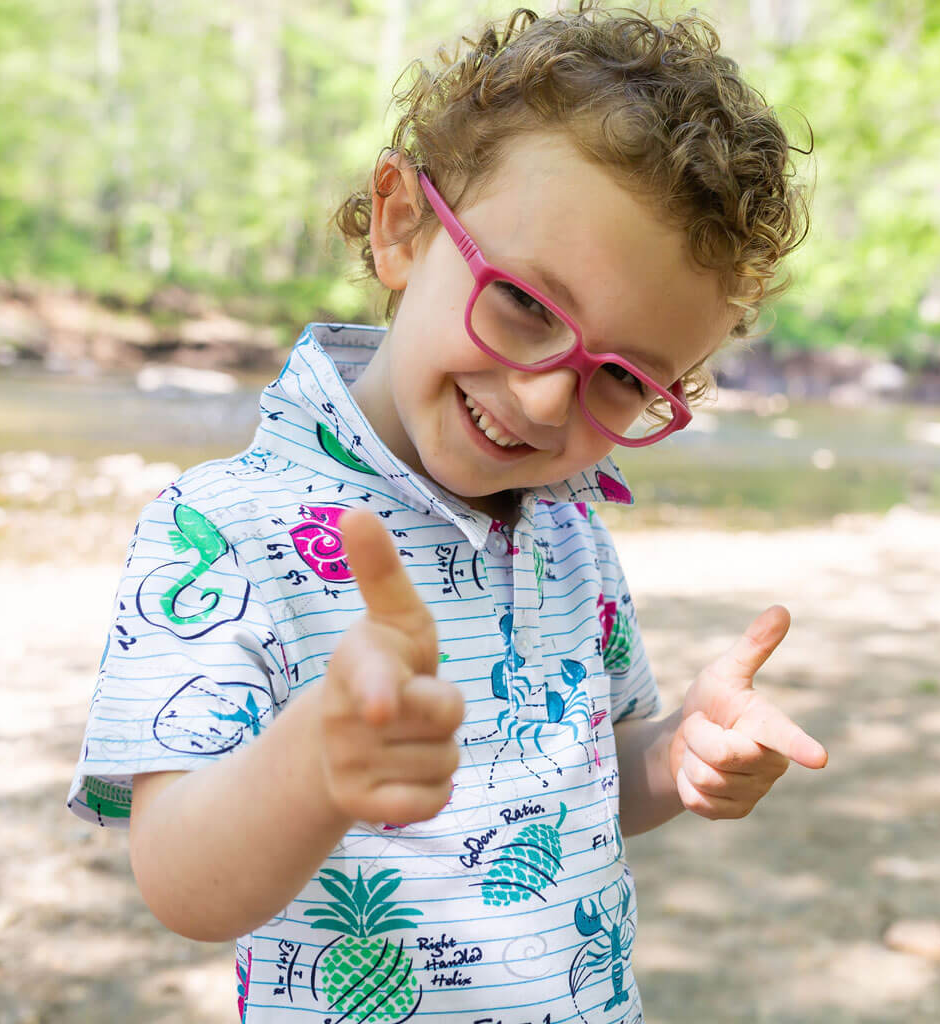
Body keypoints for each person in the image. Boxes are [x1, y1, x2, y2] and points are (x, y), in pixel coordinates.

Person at [67, 5, 827, 1022]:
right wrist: (313, 764)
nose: (548, 397)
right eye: (523, 304)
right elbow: (181, 884)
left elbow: (595, 781)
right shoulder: (221, 532)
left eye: (622, 378)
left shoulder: (567, 531)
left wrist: (675, 751)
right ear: (401, 227)